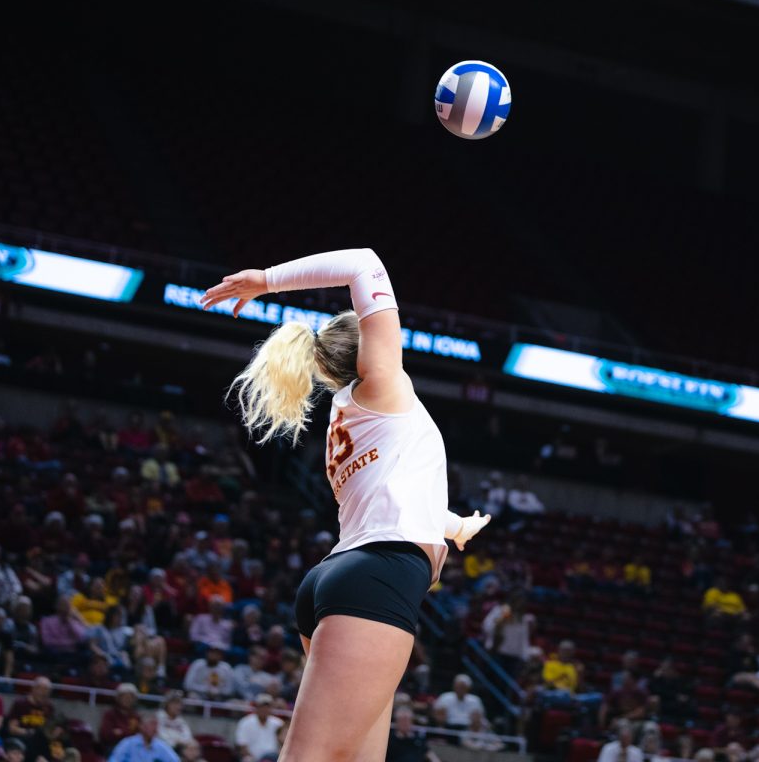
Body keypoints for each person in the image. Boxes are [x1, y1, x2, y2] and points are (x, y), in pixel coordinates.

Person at [198, 248, 491, 762]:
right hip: (376, 579)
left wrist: (451, 525)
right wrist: (266, 281)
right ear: (371, 344)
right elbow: (364, 262)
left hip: (352, 575)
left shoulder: (352, 411)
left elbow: (391, 498)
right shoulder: (383, 382)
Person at [6, 677, 55, 761]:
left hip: (42, 742)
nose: (44, 693)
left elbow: (49, 731)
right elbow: (12, 728)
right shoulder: (20, 704)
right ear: (33, 689)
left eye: (46, 691)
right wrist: (29, 732)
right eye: (41, 689)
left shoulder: (49, 708)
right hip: (24, 739)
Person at [234, 694, 285, 762]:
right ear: (257, 707)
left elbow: (283, 743)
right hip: (252, 758)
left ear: (271, 708)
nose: (264, 709)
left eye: (267, 707)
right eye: (262, 706)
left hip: (273, 758)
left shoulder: (278, 723)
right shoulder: (245, 722)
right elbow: (242, 745)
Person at [107, 716, 180, 762]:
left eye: (156, 725)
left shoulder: (160, 745)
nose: (155, 728)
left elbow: (175, 760)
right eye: (151, 724)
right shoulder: (128, 743)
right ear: (142, 726)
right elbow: (114, 760)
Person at [100, 684, 141, 752]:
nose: (127, 700)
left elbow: (138, 736)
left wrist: (120, 732)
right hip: (113, 747)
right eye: (124, 697)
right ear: (118, 698)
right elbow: (105, 734)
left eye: (130, 697)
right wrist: (126, 732)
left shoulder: (136, 716)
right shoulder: (110, 714)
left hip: (131, 748)